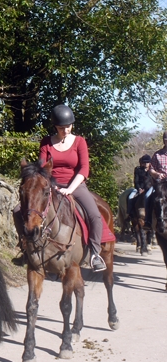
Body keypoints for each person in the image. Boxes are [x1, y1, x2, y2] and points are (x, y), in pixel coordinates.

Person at [18, 104, 106, 272]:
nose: (65, 131)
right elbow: (42, 167)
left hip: (75, 185)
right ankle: (25, 247)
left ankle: (95, 253)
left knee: (95, 215)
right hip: (51, 185)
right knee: (18, 210)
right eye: (61, 128)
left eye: (68, 127)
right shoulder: (46, 142)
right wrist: (49, 186)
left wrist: (70, 189)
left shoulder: (79, 142)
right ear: (55, 127)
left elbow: (84, 168)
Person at [145, 132, 167, 228]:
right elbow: (151, 169)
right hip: (160, 183)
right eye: (166, 140)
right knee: (147, 196)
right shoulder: (157, 154)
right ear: (164, 141)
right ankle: (148, 221)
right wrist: (157, 174)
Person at [127, 154, 151, 220]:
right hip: (139, 188)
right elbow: (136, 181)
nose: (146, 164)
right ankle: (130, 213)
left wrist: (146, 189)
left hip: (149, 188)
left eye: (147, 162)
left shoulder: (152, 170)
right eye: (144, 162)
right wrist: (139, 188)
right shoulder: (138, 169)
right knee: (130, 197)